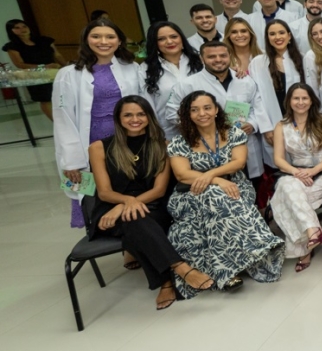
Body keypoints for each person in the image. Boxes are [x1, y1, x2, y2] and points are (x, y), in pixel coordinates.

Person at [88, 95, 213, 309]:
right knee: (135, 219)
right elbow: (104, 192)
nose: (134, 119)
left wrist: (125, 206)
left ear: (149, 117)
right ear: (118, 118)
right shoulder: (99, 148)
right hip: (111, 208)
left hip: (152, 204)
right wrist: (125, 202)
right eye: (128, 115)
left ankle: (165, 282)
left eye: (140, 114)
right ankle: (181, 269)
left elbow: (159, 190)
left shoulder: (163, 145)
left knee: (135, 220)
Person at [167, 90, 284, 295]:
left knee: (219, 199)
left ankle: (227, 269)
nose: (201, 113)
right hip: (191, 193)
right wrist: (216, 180)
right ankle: (229, 269)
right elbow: (182, 174)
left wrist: (210, 175)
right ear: (188, 114)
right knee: (215, 198)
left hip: (234, 185)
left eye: (206, 108)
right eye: (194, 110)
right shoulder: (179, 141)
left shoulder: (234, 133)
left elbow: (238, 163)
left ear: (216, 110)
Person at [53, 18, 145, 228]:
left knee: (127, 186)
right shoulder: (68, 74)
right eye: (96, 36)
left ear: (119, 41)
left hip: (126, 139)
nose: (104, 41)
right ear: (86, 40)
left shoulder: (132, 68)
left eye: (110, 37)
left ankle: (133, 235)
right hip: (88, 142)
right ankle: (94, 229)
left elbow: (142, 105)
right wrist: (71, 160)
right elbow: (62, 118)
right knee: (85, 192)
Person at [166, 41, 270, 181]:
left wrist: (252, 124)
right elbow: (172, 113)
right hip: (205, 148)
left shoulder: (245, 81)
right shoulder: (187, 85)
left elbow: (258, 107)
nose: (218, 60)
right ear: (202, 59)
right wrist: (201, 125)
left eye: (223, 55)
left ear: (230, 56)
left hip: (245, 144)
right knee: (214, 185)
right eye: (212, 57)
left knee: (252, 186)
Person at [270, 83, 322, 272]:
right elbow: (278, 158)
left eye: (304, 98)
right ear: (289, 101)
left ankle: (305, 250)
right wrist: (296, 172)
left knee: (286, 199)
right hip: (298, 174)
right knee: (285, 183)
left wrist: (315, 169)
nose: (300, 102)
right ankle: (313, 231)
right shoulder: (281, 126)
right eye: (296, 98)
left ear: (311, 101)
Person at [142, 21, 203, 140]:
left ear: (182, 38)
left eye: (174, 36)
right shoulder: (145, 69)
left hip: (205, 128)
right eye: (161, 39)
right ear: (155, 43)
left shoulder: (200, 61)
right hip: (168, 135)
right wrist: (157, 136)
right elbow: (147, 104)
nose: (169, 42)